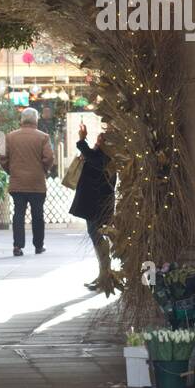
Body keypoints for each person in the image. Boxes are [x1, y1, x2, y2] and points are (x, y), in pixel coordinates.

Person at [1, 107, 54, 256]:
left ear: (22, 120)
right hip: (37, 183)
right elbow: (49, 158)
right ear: (36, 120)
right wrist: (44, 170)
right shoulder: (43, 137)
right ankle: (38, 245)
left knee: (18, 214)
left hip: (17, 182)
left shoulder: (10, 137)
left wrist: (11, 171)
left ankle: (18, 246)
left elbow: (2, 157)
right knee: (38, 214)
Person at [69, 122, 116, 290]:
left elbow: (96, 161)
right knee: (95, 234)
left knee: (97, 234)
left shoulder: (107, 156)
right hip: (94, 202)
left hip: (98, 203)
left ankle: (105, 275)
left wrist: (82, 141)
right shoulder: (102, 153)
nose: (99, 138)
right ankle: (103, 274)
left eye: (103, 137)